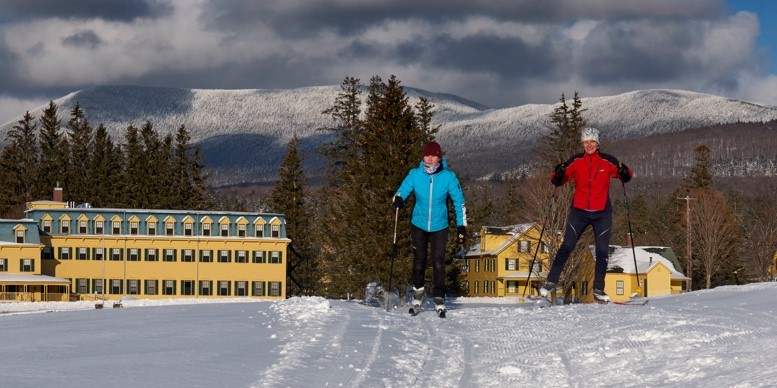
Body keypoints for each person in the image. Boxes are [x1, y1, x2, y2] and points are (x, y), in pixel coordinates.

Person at [540, 127, 632, 303]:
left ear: (598, 143)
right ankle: (550, 282)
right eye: (586, 142)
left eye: (592, 142)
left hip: (602, 213)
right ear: (582, 143)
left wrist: (624, 172)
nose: (589, 145)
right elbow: (558, 180)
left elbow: (626, 177)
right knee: (567, 245)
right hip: (579, 211)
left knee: (602, 251)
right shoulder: (576, 161)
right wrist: (557, 174)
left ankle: (599, 289)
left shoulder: (607, 161)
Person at [393, 141, 467, 316]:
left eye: (433, 156)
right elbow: (400, 192)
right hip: (418, 224)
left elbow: (459, 202)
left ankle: (439, 297)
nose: (430, 159)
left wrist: (461, 226)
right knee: (419, 260)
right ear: (423, 157)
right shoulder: (415, 174)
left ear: (439, 158)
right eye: (427, 156)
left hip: (440, 225)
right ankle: (417, 293)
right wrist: (398, 199)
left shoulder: (448, 177)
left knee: (438, 261)